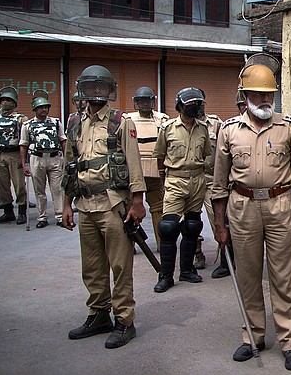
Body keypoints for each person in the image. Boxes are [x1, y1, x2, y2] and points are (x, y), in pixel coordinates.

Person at [212, 53, 291, 371]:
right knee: (247, 275)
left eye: (269, 94)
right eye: (257, 94)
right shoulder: (229, 131)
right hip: (242, 207)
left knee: (284, 277)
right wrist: (219, 224)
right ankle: (253, 336)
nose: (264, 99)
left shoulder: (289, 128)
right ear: (244, 97)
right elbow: (218, 185)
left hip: (281, 204)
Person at [62, 65, 146, 349]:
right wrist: (66, 205)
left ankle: (124, 321)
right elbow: (69, 167)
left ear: (110, 91)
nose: (96, 93)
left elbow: (134, 165)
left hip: (113, 205)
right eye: (90, 87)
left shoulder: (121, 122)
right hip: (85, 204)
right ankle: (99, 314)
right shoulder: (74, 122)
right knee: (93, 266)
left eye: (101, 87)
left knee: (121, 265)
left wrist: (138, 202)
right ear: (82, 90)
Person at [151, 87, 211, 293]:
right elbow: (160, 156)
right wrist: (163, 180)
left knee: (193, 226)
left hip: (197, 180)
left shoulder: (203, 129)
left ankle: (187, 270)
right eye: (191, 104)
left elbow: (205, 154)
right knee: (168, 228)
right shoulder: (167, 128)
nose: (196, 107)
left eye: (198, 103)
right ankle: (166, 276)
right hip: (175, 180)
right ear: (180, 106)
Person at [126, 87, 169, 249]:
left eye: (147, 101)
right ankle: (130, 244)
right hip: (133, 171)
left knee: (158, 209)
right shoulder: (128, 119)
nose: (144, 104)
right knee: (131, 209)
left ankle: (161, 244)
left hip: (155, 171)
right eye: (141, 101)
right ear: (136, 102)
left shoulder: (162, 120)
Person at [211, 92, 246, 279]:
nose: (247, 107)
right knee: (224, 226)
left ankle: (230, 262)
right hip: (234, 192)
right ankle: (226, 263)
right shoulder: (230, 130)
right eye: (243, 104)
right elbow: (221, 172)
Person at [20, 93, 66, 228]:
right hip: (36, 158)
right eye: (41, 107)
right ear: (35, 109)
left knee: (57, 189)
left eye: (46, 107)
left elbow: (63, 141)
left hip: (54, 158)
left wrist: (66, 160)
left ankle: (59, 216)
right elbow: (23, 145)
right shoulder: (27, 125)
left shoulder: (56, 122)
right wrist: (24, 164)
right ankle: (42, 217)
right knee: (39, 190)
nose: (44, 110)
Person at [0, 86, 27, 224]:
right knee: (2, 185)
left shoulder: (21, 119)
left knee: (19, 185)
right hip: (0, 154)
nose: (5, 102)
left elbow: (25, 139)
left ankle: (22, 212)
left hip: (15, 154)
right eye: (3, 100)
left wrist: (24, 159)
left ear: (14, 103)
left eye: (8, 100)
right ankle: (8, 211)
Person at [196, 101, 221, 270]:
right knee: (191, 222)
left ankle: (225, 259)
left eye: (199, 103)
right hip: (191, 180)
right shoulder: (176, 126)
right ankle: (197, 254)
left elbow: (224, 151)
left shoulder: (216, 124)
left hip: (212, 179)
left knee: (217, 219)